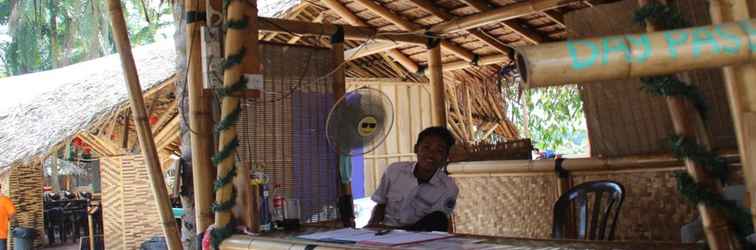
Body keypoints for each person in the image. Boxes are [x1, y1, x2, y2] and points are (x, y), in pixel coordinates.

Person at [367, 126, 459, 232]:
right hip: (384, 234)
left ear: (446, 156)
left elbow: (436, 223)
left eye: (439, 150)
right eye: (426, 147)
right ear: (416, 148)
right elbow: (380, 204)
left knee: (439, 218)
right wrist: (371, 226)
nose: (431, 154)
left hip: (418, 236)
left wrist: (392, 230)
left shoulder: (449, 188)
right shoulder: (394, 171)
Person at [0, 185, 15, 250]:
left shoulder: (5, 200)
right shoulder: (5, 200)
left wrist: (7, 218)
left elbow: (13, 213)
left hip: (1, 235)